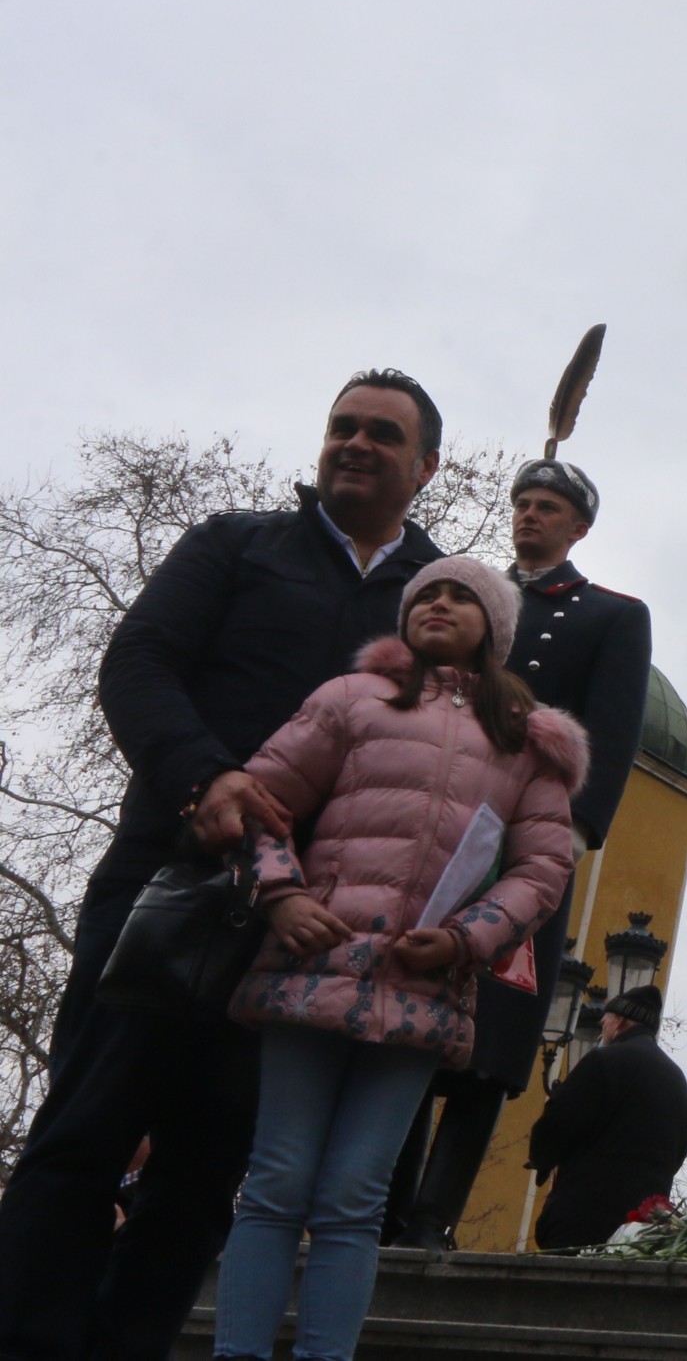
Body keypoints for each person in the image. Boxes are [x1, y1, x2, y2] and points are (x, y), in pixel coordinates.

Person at [0, 370, 446, 1361]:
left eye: (382, 432)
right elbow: (138, 663)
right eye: (341, 425)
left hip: (310, 928)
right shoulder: (234, 544)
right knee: (83, 1135)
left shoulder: (441, 602)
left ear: (426, 467)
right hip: (170, 886)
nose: (355, 442)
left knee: (208, 1171)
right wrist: (205, 778)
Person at [211, 556, 581, 1361]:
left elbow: (544, 870)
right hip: (314, 963)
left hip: (424, 986)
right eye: (426, 594)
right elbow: (262, 804)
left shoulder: (528, 742)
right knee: (276, 1182)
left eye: (461, 597)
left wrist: (466, 938)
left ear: (495, 628)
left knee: (354, 1197)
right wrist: (281, 896)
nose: (438, 604)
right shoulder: (350, 699)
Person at [386, 455, 651, 1250]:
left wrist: (573, 832)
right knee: (406, 1015)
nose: (529, 515)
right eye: (523, 502)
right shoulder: (469, 602)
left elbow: (610, 731)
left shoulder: (611, 615)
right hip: (440, 829)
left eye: (548, 506)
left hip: (526, 842)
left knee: (494, 1039)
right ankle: (383, 1206)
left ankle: (431, 1217)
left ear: (579, 527)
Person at [525, 985, 687, 1251]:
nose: (601, 1033)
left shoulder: (603, 1061)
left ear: (620, 1021)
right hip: (642, 1230)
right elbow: (680, 1149)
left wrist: (542, 1158)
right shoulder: (677, 1080)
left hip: (583, 1218)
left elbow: (557, 1122)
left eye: (604, 1023)